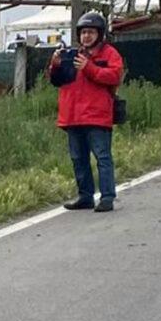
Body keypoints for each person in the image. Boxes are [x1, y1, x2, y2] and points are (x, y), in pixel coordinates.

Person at [52, 11, 124, 212]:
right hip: (73, 116)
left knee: (102, 157)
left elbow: (113, 77)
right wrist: (55, 66)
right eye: (83, 32)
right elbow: (58, 81)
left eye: (91, 32)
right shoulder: (73, 54)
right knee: (78, 158)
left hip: (97, 116)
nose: (86, 36)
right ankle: (85, 196)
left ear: (100, 34)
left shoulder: (110, 54)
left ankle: (107, 197)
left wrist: (89, 67)